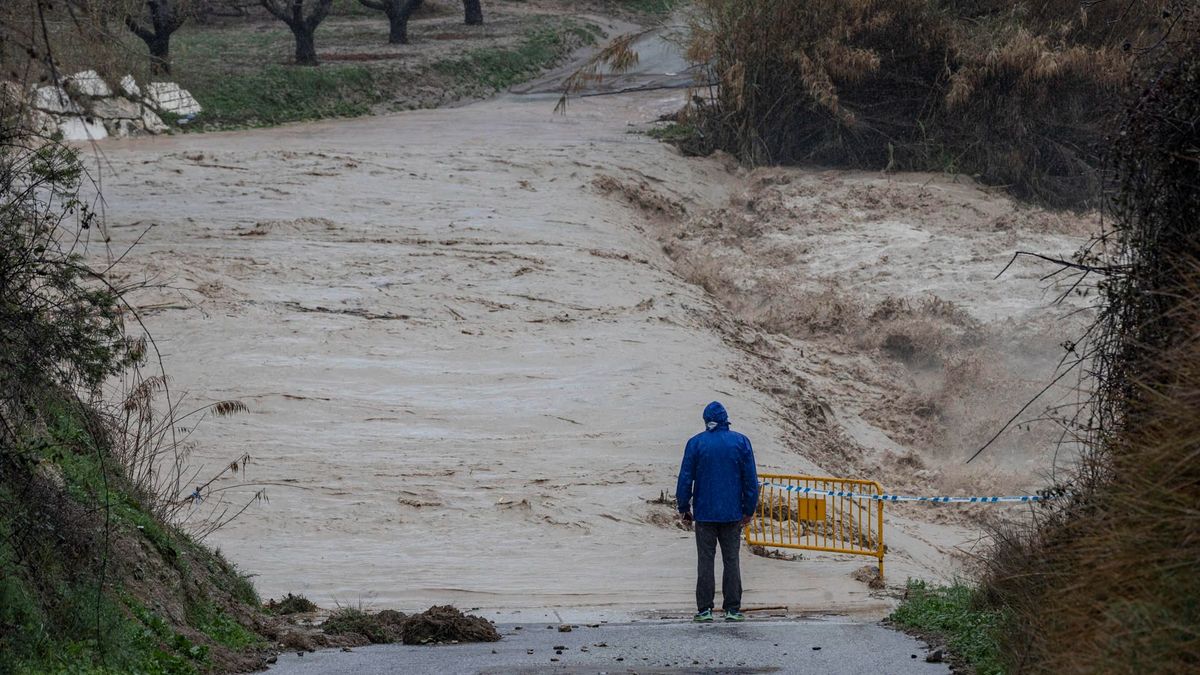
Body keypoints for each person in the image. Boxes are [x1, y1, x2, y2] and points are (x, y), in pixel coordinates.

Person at [676, 401, 759, 623]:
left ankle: (704, 609)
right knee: (731, 560)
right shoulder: (741, 442)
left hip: (704, 513)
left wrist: (683, 507)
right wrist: (749, 509)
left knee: (705, 561)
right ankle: (732, 608)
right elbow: (751, 480)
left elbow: (685, 478)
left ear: (706, 420)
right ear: (726, 419)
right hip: (733, 513)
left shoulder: (695, 443)